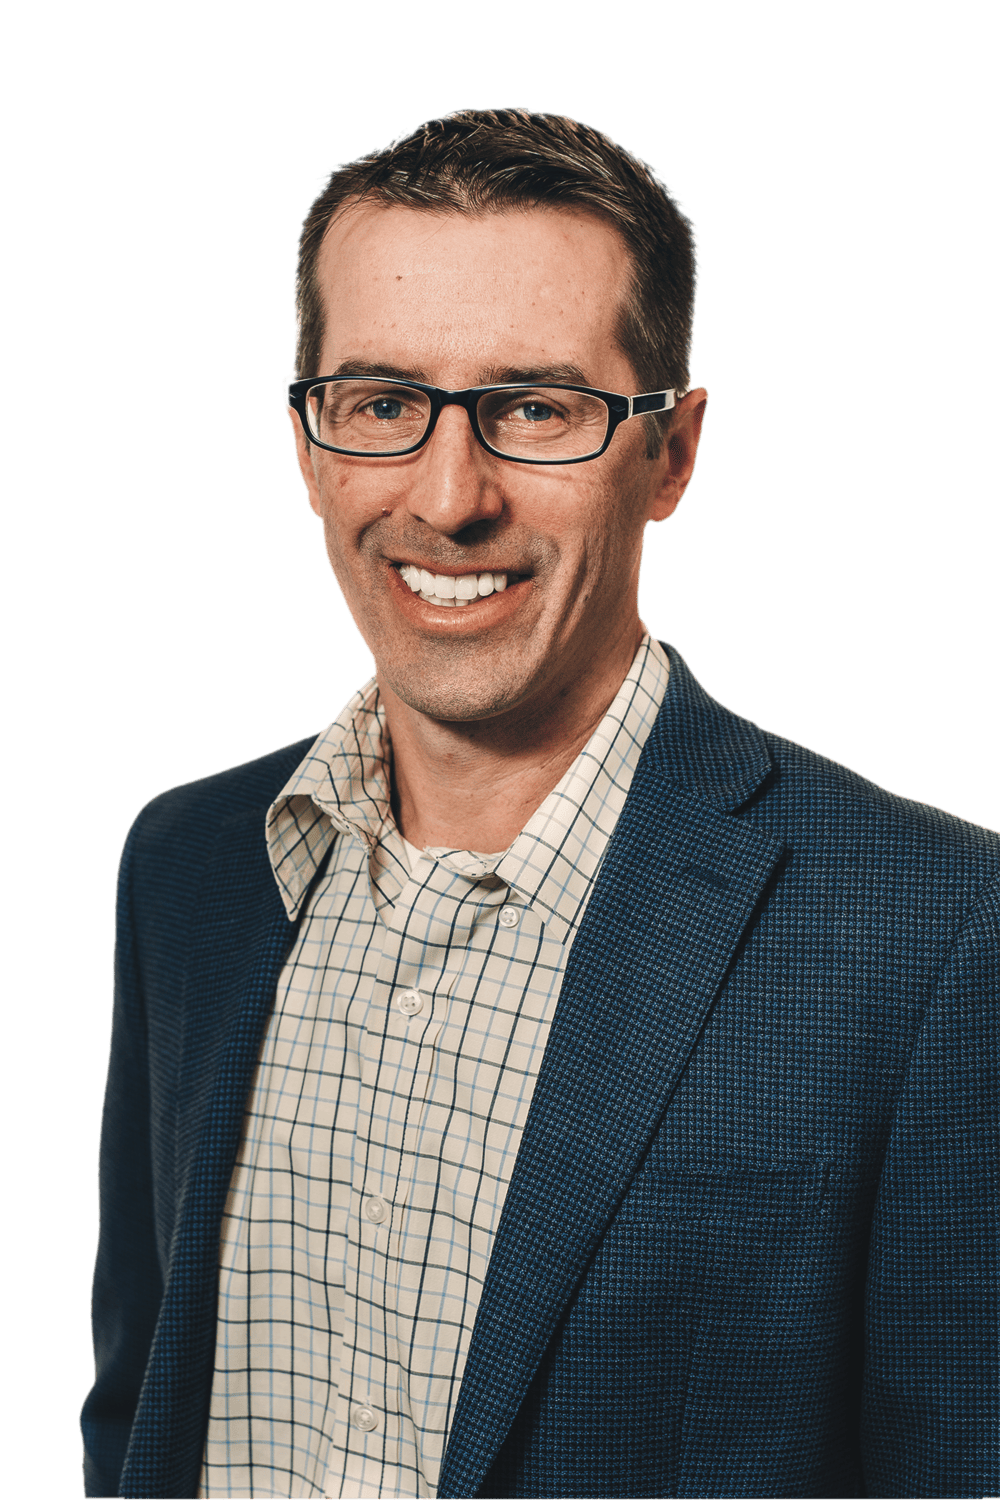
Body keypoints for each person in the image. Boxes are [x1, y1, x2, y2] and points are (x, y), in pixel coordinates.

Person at [81, 108, 999, 1500]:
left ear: (671, 451)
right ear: (310, 444)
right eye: (384, 402)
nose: (450, 498)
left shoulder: (931, 934)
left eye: (536, 410)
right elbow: (143, 1403)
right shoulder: (191, 870)